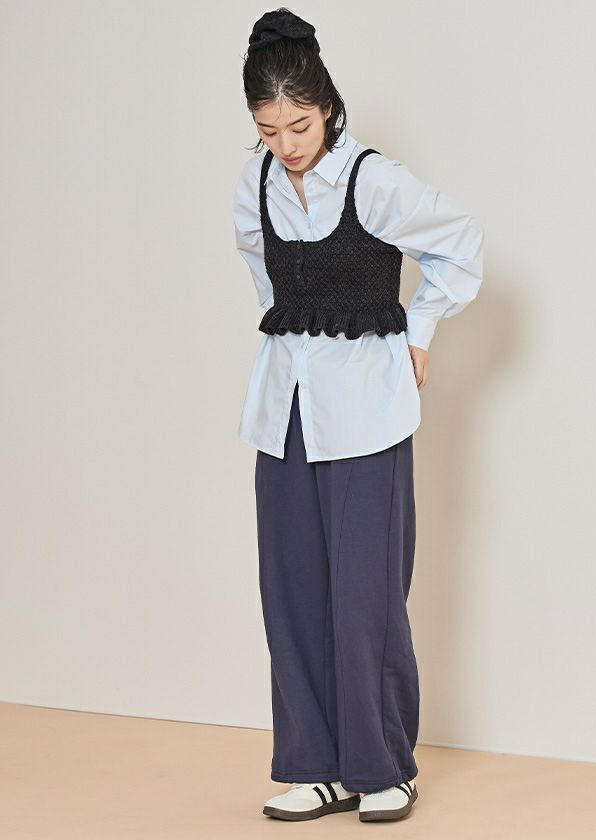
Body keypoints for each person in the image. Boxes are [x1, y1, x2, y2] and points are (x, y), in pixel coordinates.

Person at [231, 7, 484, 823]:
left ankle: (382, 766)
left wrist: (420, 332)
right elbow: (267, 280)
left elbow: (460, 243)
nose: (285, 144)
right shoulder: (255, 187)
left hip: (367, 412)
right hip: (283, 413)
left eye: (298, 125)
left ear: (328, 107)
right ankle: (315, 764)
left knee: (365, 594)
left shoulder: (374, 180)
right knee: (292, 591)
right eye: (268, 130)